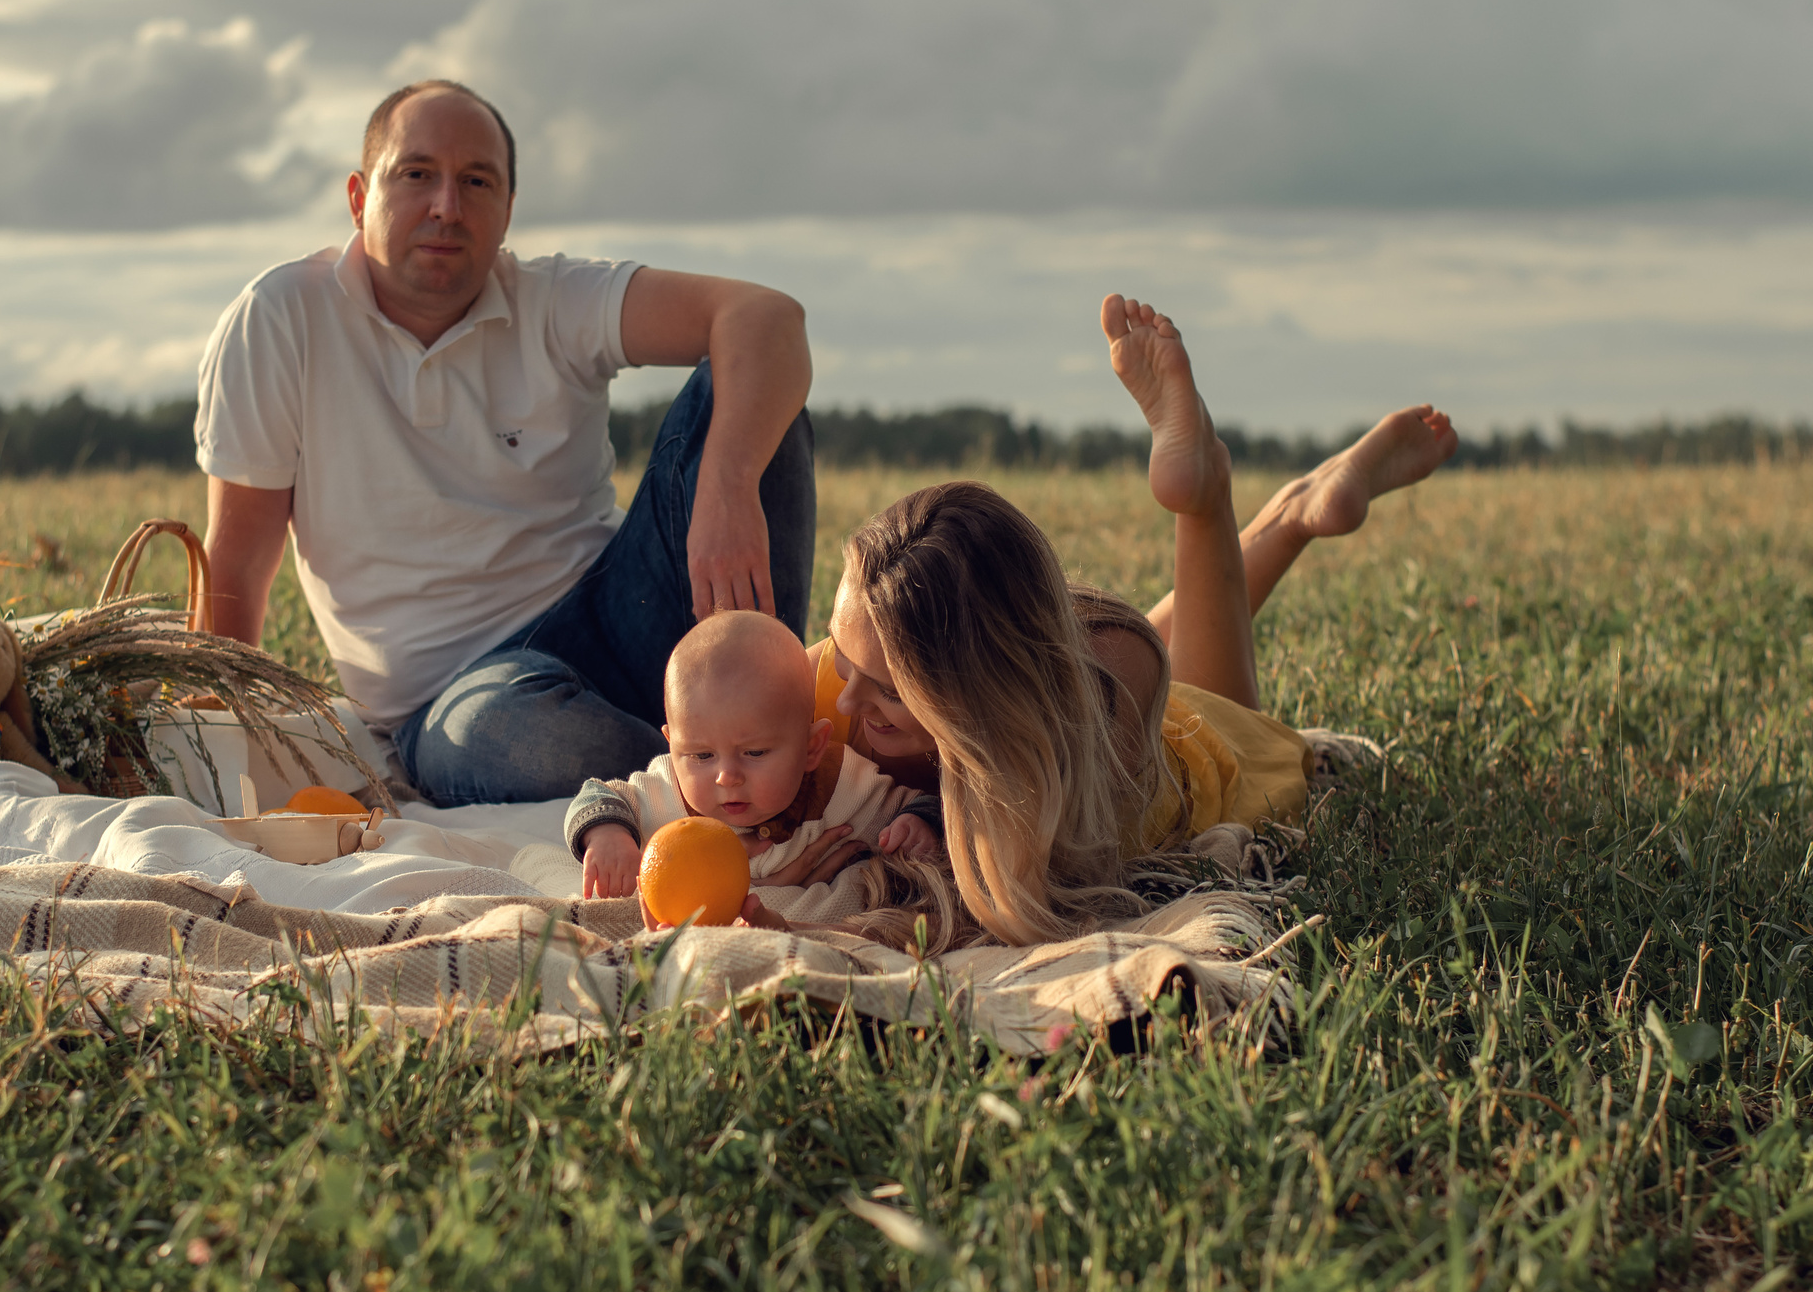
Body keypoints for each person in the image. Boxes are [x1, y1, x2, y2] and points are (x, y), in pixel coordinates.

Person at [193, 80, 816, 806]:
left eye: (476, 181)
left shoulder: (551, 298)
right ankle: (746, 770)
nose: (446, 206)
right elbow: (239, 557)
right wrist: (213, 743)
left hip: (620, 613)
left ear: (507, 210)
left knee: (750, 399)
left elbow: (767, 318)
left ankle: (758, 729)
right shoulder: (279, 318)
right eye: (417, 174)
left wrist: (728, 486)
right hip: (457, 697)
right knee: (524, 741)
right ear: (360, 197)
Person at [803, 295, 1459, 949]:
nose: (846, 698)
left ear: (974, 696)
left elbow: (996, 916)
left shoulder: (1039, 788)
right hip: (1085, 678)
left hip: (1183, 762)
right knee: (1112, 656)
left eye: (887, 690)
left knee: (1219, 705)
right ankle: (1264, 505)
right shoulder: (868, 668)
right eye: (840, 654)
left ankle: (1234, 501)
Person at [565, 611, 941, 898]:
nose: (726, 776)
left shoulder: (840, 785)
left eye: (754, 752)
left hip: (814, 932)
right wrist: (607, 834)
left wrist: (918, 823)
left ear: (812, 748)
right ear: (673, 746)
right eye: (701, 756)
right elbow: (597, 796)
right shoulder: (665, 792)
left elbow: (919, 807)